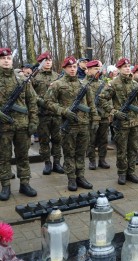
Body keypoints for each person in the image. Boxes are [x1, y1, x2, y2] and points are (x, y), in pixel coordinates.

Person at [45, 56, 97, 191]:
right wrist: (63, 111)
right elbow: (48, 102)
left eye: (74, 67)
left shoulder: (84, 85)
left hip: (83, 124)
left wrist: (95, 119)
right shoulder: (57, 84)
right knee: (69, 153)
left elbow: (91, 104)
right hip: (68, 126)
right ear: (64, 68)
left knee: (81, 153)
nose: (73, 69)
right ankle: (72, 178)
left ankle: (81, 176)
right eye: (70, 67)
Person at [0, 48, 39, 201]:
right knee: (3, 158)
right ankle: (5, 186)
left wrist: (34, 121)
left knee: (23, 157)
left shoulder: (22, 80)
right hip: (3, 128)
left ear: (12, 60)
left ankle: (25, 183)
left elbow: (32, 102)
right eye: (3, 58)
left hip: (22, 126)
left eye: (8, 58)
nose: (6, 60)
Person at [99, 58, 138, 185]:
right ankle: (122, 173)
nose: (127, 68)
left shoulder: (135, 84)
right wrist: (114, 112)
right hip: (121, 123)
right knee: (122, 150)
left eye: (128, 66)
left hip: (134, 122)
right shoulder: (113, 83)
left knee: (134, 149)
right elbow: (102, 99)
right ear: (118, 69)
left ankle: (131, 172)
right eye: (124, 66)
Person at [31, 51, 64, 175]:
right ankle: (47, 163)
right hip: (42, 115)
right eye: (46, 61)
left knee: (57, 140)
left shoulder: (58, 76)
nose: (48, 62)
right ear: (40, 62)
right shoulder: (34, 77)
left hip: (56, 114)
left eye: (50, 60)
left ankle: (56, 163)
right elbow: (31, 96)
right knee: (44, 141)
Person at [85, 60, 111, 170]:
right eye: (95, 69)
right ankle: (92, 160)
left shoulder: (103, 84)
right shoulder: (83, 84)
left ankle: (102, 160)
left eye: (99, 69)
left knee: (103, 140)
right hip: (91, 117)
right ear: (89, 70)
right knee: (91, 140)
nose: (98, 71)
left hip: (103, 116)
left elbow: (109, 99)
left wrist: (110, 113)